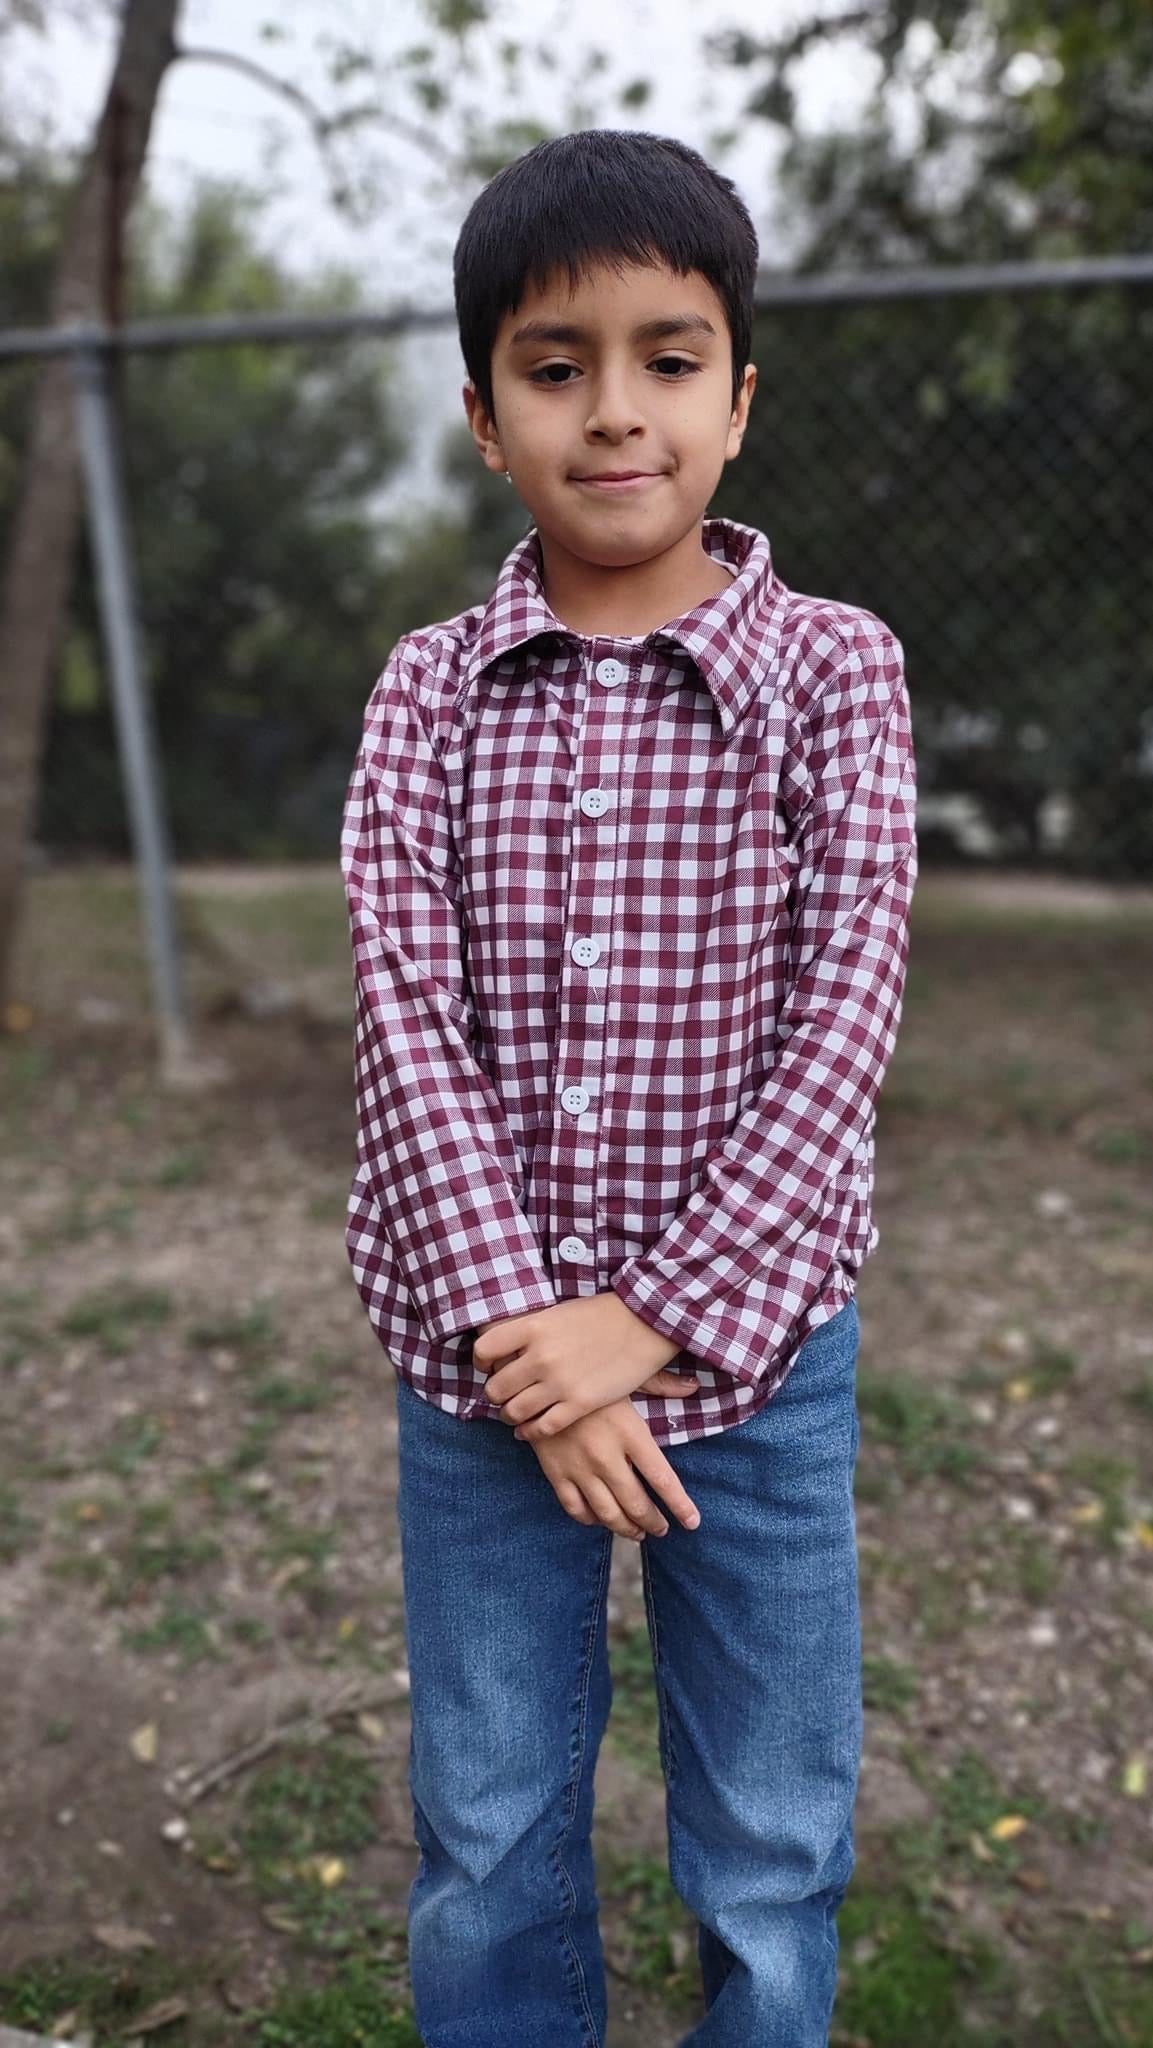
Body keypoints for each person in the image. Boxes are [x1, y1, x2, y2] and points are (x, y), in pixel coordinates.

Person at [340, 127, 917, 2048]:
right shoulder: (426, 691)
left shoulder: (833, 673)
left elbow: (845, 1020)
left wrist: (645, 1328)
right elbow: (403, 1017)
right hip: (479, 1371)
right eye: (553, 364)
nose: (614, 412)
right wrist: (533, 1336)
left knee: (767, 1832)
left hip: (751, 1367)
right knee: (490, 1827)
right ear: (486, 415)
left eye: (667, 360)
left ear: (737, 402)